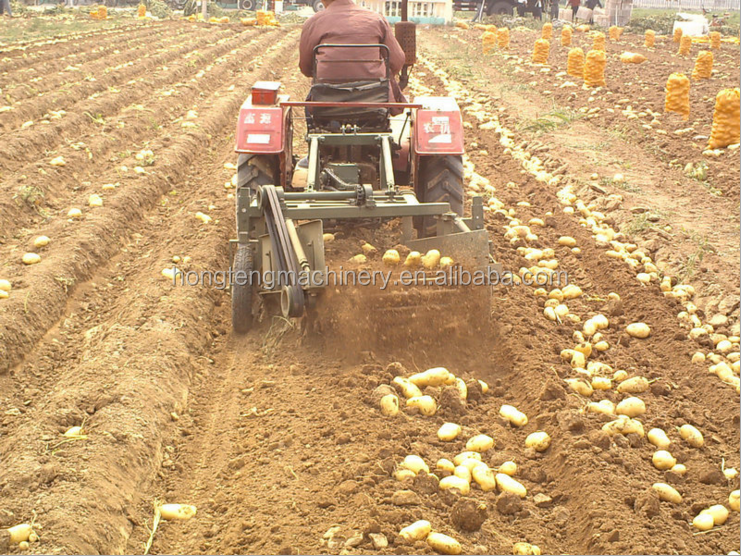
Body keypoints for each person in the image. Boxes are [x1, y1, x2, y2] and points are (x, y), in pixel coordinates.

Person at [299, 0, 406, 104]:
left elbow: (306, 67)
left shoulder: (313, 22)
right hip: (374, 95)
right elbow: (397, 60)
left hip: (326, 96)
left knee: (311, 104)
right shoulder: (376, 19)